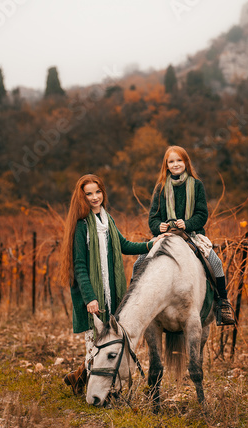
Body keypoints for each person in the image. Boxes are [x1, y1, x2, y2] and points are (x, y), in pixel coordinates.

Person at [60, 174, 165, 395]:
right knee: (94, 345)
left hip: (111, 291)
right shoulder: (81, 226)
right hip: (91, 294)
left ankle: (79, 379)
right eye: (88, 194)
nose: (94, 197)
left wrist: (149, 245)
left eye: (97, 192)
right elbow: (79, 265)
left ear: (103, 193)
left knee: (107, 343)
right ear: (82, 197)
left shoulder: (107, 220)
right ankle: (94, 391)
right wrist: (90, 298)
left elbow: (123, 245)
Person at [146, 145, 235, 326]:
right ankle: (137, 303)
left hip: (192, 235)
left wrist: (187, 224)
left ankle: (222, 304)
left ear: (186, 162)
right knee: (140, 262)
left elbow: (202, 214)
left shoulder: (196, 185)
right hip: (166, 237)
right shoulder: (160, 188)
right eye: (171, 161)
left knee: (216, 263)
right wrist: (159, 227)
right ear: (166, 165)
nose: (176, 164)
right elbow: (153, 218)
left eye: (179, 160)